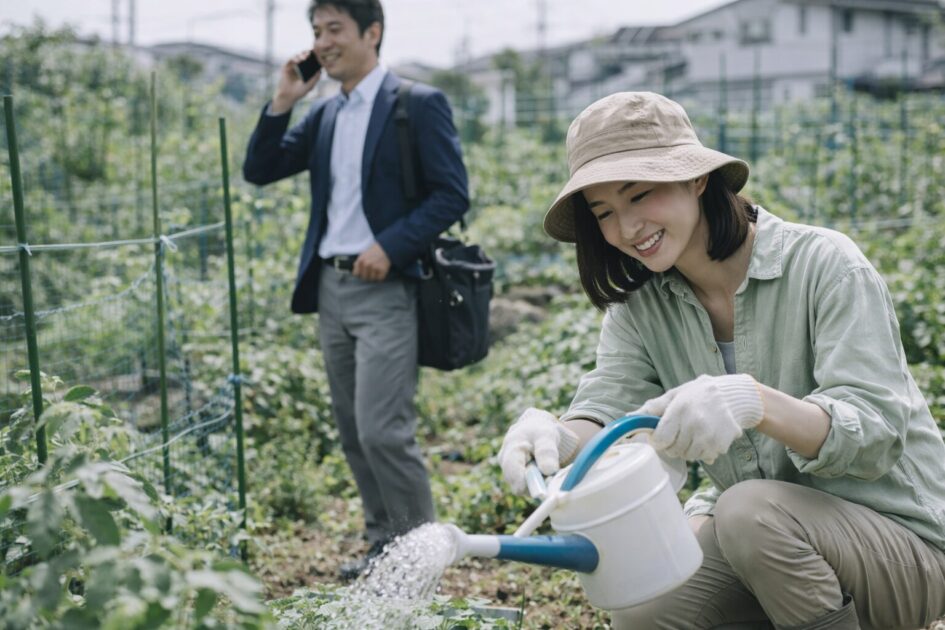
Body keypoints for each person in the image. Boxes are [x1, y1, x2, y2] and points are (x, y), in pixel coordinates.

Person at [498, 92, 945, 629]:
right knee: (644, 609)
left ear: (696, 179)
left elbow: (874, 432)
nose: (627, 227)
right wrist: (554, 436)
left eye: (640, 195)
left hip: (906, 546)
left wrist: (754, 402)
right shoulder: (644, 307)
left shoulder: (826, 265)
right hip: (769, 541)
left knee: (747, 511)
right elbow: (605, 407)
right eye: (605, 214)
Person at [243, 0, 468, 579]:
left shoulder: (415, 104)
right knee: (351, 429)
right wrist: (284, 102)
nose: (322, 42)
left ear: (372, 32)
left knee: (382, 430)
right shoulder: (323, 114)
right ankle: (382, 546)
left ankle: (419, 561)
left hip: (386, 287)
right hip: (330, 290)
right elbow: (260, 169)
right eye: (316, 31)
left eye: (334, 29)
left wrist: (391, 245)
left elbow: (451, 194)